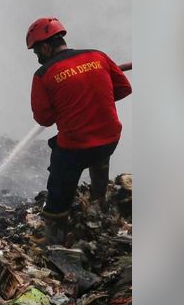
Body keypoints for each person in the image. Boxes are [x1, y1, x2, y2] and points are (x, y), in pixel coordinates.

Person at [26, 17, 131, 246]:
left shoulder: (44, 75)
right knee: (100, 156)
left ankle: (55, 240)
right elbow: (124, 88)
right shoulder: (98, 56)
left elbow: (44, 118)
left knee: (59, 185)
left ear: (45, 46)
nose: (38, 58)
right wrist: (93, 98)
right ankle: (99, 203)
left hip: (76, 148)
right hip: (110, 139)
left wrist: (71, 105)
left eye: (37, 52)